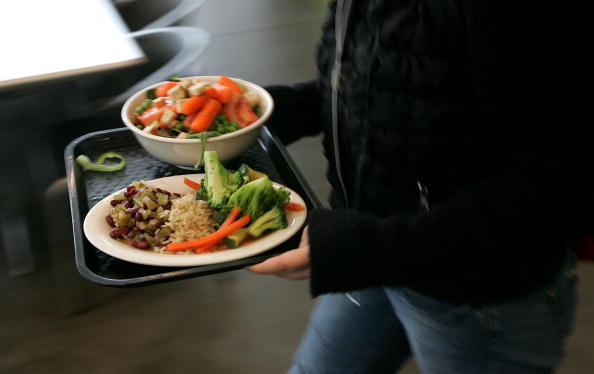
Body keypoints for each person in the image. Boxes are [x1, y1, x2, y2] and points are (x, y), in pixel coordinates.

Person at [248, 0, 593, 373]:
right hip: (373, 251)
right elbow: (390, 79)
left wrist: (376, 251)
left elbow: (563, 182)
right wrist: (266, 114)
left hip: (480, 300)